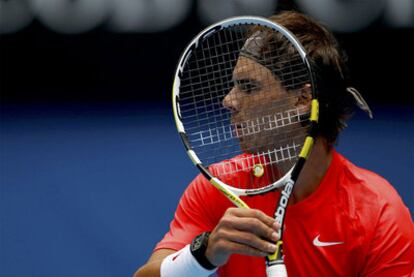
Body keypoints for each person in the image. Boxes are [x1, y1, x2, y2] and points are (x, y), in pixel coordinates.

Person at [135, 11, 414, 277]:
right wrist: (204, 254)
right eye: (234, 86)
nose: (228, 101)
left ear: (302, 100)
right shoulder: (221, 186)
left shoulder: (377, 212)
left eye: (248, 87)